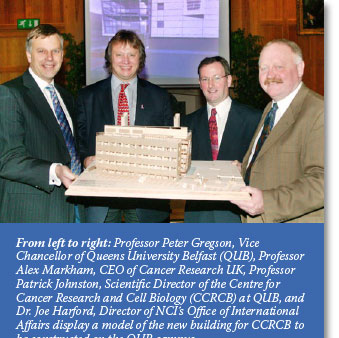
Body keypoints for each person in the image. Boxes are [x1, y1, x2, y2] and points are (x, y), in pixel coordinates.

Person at [77, 29, 172, 223]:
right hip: (100, 193)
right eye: (119, 55)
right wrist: (85, 159)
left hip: (146, 196)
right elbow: (77, 141)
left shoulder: (161, 98)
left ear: (140, 59)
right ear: (109, 59)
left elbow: (170, 145)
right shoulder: (87, 97)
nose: (125, 61)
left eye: (132, 55)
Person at [231, 39, 324, 223]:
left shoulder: (320, 111)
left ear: (300, 69)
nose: (270, 75)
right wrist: (245, 170)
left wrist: (267, 202)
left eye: (279, 66)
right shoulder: (271, 108)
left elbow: (322, 181)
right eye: (263, 68)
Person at [0, 24, 83, 223]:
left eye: (55, 51)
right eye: (41, 51)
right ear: (29, 55)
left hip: (70, 209)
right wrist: (54, 170)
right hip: (31, 213)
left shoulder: (66, 97)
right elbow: (7, 159)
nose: (49, 58)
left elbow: (67, 148)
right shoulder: (9, 94)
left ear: (62, 55)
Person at [183, 56, 261, 223]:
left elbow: (264, 168)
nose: (211, 85)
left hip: (238, 214)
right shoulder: (187, 123)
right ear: (200, 83)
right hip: (197, 216)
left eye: (217, 78)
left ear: (229, 80)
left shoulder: (254, 119)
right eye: (205, 79)